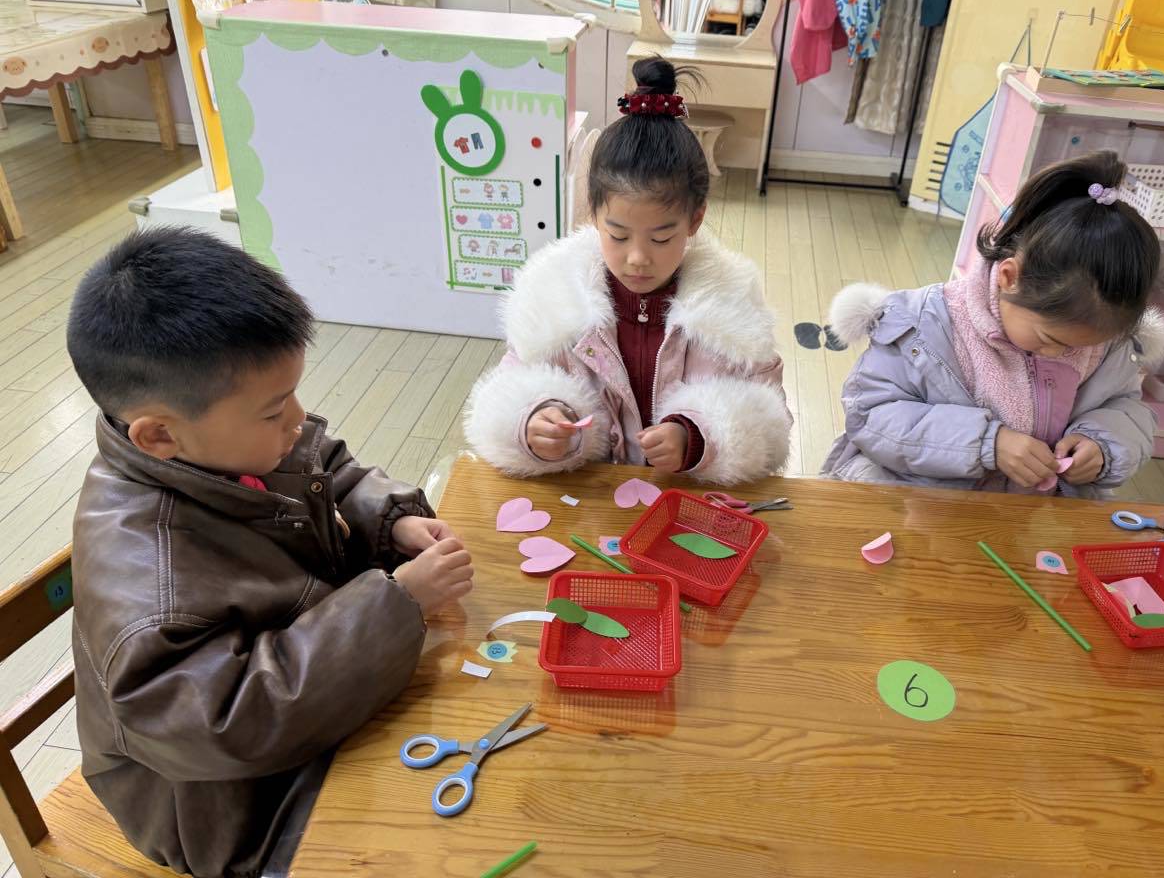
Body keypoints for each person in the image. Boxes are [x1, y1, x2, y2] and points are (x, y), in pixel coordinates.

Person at [66, 227, 474, 877]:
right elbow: (232, 723)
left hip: (320, 701)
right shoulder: (149, 580)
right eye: (273, 410)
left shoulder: (227, 442)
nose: (298, 420)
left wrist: (391, 521)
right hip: (237, 809)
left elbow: (326, 470)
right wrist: (396, 605)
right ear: (158, 436)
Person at [465, 56, 791, 485]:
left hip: (684, 502)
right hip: (588, 502)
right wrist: (532, 421)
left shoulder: (731, 308)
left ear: (695, 220)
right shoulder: (553, 300)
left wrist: (698, 438)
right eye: (617, 236)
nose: (637, 257)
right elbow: (510, 387)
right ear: (593, 215)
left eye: (661, 238)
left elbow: (772, 421)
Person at [823, 151, 1164, 496]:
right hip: (920, 501)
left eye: (1082, 345)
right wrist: (986, 443)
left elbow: (1125, 406)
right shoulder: (924, 326)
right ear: (1009, 277)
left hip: (1026, 510)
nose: (1060, 353)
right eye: (1049, 338)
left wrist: (1102, 444)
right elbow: (871, 415)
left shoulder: (1106, 342)